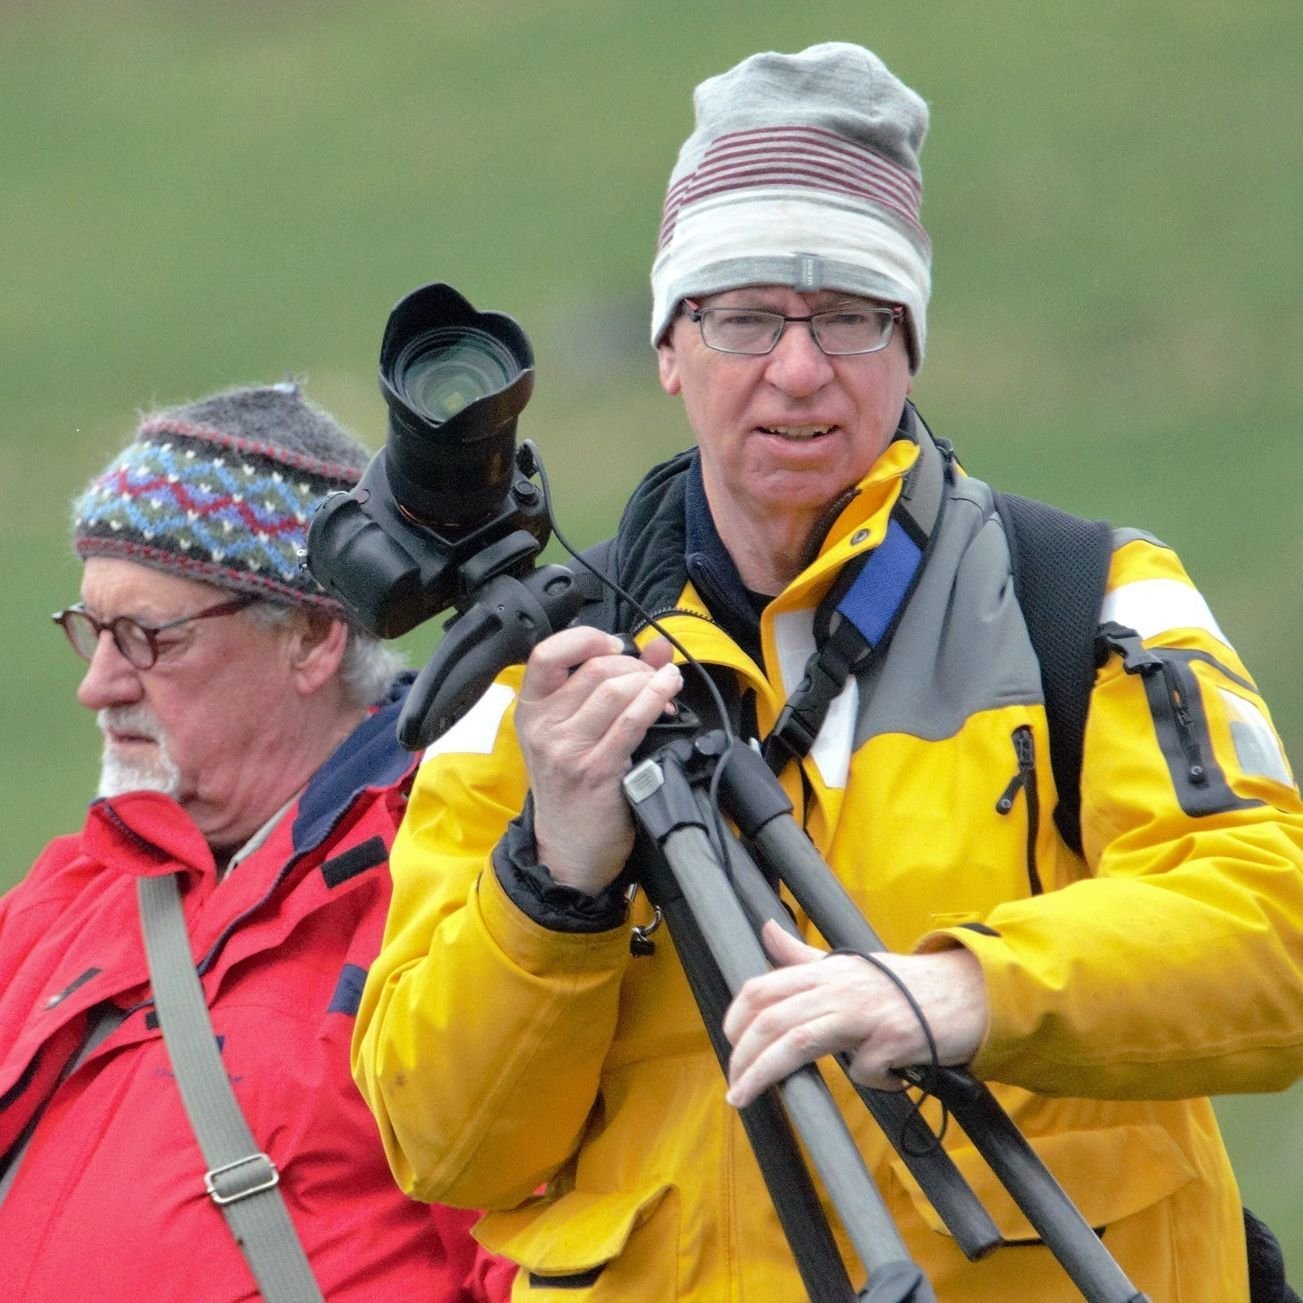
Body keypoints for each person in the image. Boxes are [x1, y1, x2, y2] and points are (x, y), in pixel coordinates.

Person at [352, 44, 1303, 1301]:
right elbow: (444, 1144)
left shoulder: (1083, 598)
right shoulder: (547, 687)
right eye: (743, 316)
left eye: (848, 315)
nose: (797, 370)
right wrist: (554, 878)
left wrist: (958, 990)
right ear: (668, 347)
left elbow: (1270, 940)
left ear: (908, 344)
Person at [0, 382, 515, 1301]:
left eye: (147, 637)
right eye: (91, 630)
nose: (100, 684)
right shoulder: (66, 898)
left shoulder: (447, 890)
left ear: (314, 638)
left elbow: (532, 1258)